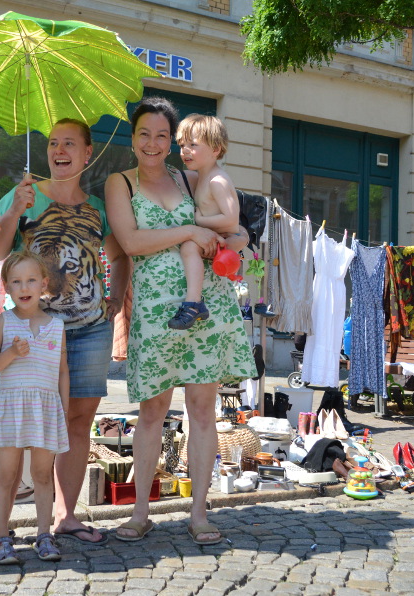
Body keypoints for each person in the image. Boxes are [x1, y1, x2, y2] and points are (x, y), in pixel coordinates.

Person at [104, 96, 256, 545]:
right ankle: (139, 512)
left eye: (162, 135)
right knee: (151, 412)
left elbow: (232, 218)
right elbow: (131, 242)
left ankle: (200, 512)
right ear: (132, 139)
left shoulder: (187, 177)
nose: (153, 143)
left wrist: (241, 235)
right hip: (156, 313)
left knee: (203, 412)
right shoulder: (121, 182)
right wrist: (191, 231)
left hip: (208, 307)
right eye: (144, 133)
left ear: (173, 141)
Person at [0, 118, 129, 546]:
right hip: (32, 332)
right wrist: (13, 209)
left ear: (88, 153)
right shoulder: (25, 195)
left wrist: (116, 299)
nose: (59, 150)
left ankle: (66, 516)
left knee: (79, 421)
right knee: (13, 427)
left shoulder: (98, 208)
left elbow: (119, 257)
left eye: (69, 143)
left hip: (87, 330)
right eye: (52, 142)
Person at [0, 250, 70, 564]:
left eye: (31, 279)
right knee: (5, 477)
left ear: (44, 283)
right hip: (12, 407)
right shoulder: (2, 322)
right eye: (16, 281)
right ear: (6, 287)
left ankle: (44, 535)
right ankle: (2, 538)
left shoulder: (56, 326)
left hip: (46, 409)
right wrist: (11, 354)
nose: (24, 287)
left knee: (42, 476)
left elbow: (62, 371)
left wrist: (64, 409)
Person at [168, 114, 241, 330]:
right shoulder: (202, 178)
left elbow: (231, 220)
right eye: (182, 145)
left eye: (193, 144)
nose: (184, 151)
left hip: (224, 239)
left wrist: (198, 219)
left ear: (216, 149)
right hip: (216, 241)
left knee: (189, 247)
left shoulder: (217, 181)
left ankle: (193, 304)